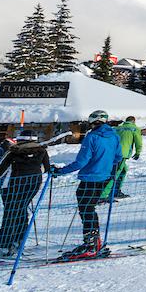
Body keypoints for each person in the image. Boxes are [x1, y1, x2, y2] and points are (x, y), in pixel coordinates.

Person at [52, 110, 122, 259]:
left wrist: (61, 171)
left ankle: (90, 243)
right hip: (104, 177)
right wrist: (108, 169)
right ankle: (94, 241)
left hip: (90, 177)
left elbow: (81, 161)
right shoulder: (114, 136)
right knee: (89, 208)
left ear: (93, 122)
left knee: (86, 209)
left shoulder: (92, 137)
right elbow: (118, 157)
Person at [0, 128, 50, 256]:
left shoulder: (13, 151)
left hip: (13, 186)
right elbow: (46, 168)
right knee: (21, 210)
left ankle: (4, 245)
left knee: (10, 213)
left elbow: (0, 169)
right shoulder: (42, 151)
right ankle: (18, 241)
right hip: (33, 184)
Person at [107, 115, 143, 201]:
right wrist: (138, 152)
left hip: (112, 153)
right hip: (122, 154)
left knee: (123, 170)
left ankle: (115, 191)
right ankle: (105, 194)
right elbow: (138, 142)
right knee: (115, 174)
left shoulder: (118, 128)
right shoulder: (134, 128)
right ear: (134, 121)